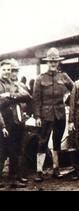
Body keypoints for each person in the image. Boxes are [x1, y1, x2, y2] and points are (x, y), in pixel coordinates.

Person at [32, 47, 73, 182]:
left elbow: (75, 90)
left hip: (60, 114)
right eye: (51, 61)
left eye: (55, 61)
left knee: (57, 141)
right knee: (43, 141)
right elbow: (36, 99)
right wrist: (37, 116)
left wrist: (68, 100)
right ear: (47, 62)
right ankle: (39, 171)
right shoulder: (40, 78)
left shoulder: (63, 76)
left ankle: (56, 168)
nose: (53, 64)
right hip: (45, 115)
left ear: (58, 62)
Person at [0, 59, 31, 188]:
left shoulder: (13, 84)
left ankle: (14, 178)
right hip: (4, 123)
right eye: (5, 70)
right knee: (2, 152)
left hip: (15, 121)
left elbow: (27, 97)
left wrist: (10, 96)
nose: (8, 72)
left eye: (10, 70)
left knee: (15, 151)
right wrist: (2, 126)